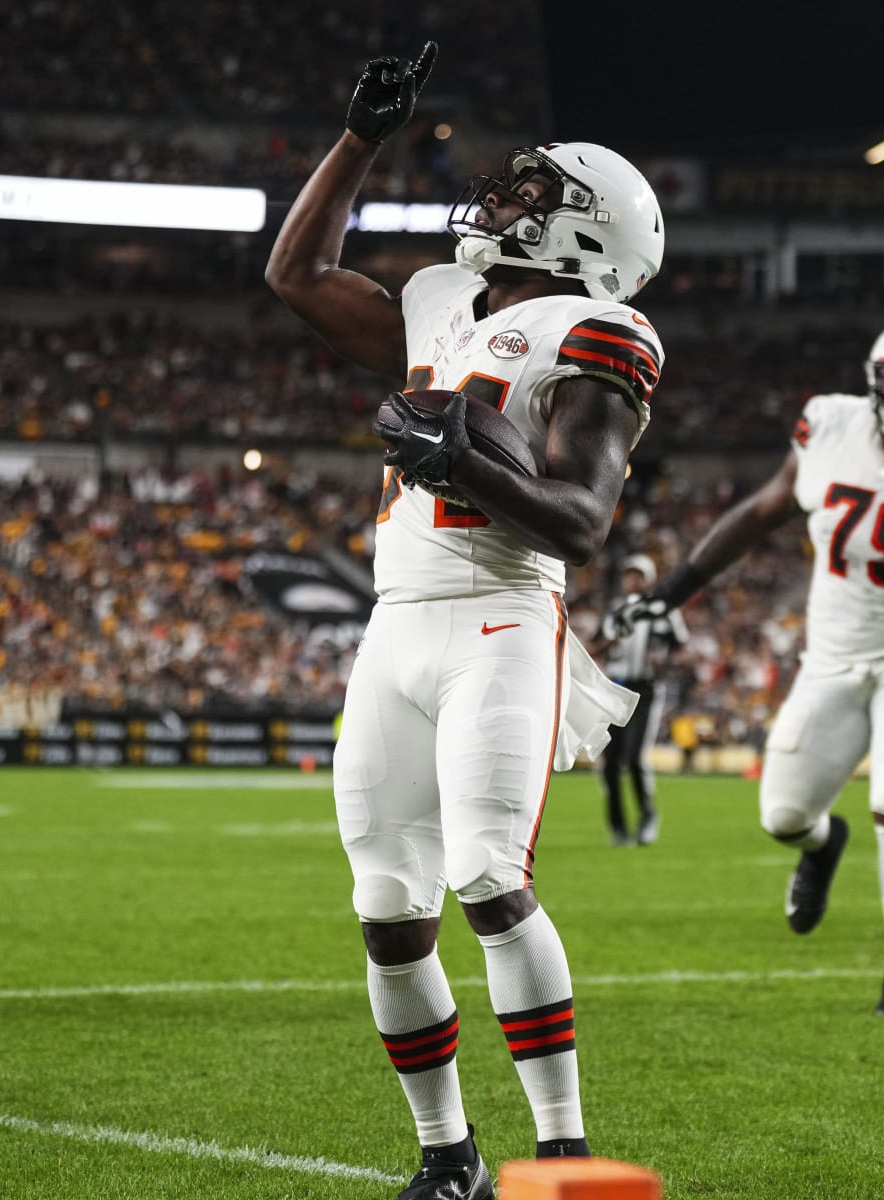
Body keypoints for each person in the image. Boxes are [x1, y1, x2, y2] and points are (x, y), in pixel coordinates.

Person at [265, 43, 666, 1199]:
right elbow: (297, 275)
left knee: (491, 876)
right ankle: (450, 1159)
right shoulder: (442, 299)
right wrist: (357, 143)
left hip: (502, 611)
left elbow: (581, 524)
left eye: (536, 195)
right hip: (397, 622)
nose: (502, 198)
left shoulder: (602, 332)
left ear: (587, 235)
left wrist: (463, 463)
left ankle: (565, 1156)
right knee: (387, 905)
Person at [621, 317, 884, 1017]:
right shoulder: (829, 425)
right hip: (832, 660)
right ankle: (822, 845)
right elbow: (759, 514)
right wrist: (668, 592)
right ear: (872, 380)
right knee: (784, 816)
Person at [596, 554, 687, 846]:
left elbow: (681, 648)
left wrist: (663, 660)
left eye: (638, 575)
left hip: (645, 689)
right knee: (609, 762)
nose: (632, 580)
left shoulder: (662, 611)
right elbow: (595, 646)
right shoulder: (614, 610)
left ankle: (648, 816)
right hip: (615, 689)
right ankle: (617, 826)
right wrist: (607, 644)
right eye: (629, 575)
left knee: (635, 758)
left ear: (648, 580)